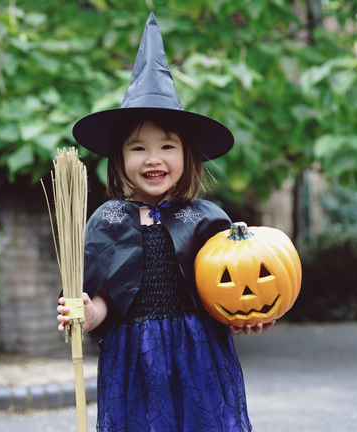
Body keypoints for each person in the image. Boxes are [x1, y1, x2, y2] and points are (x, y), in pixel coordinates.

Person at [57, 12, 273, 431]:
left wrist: (249, 315)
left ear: (187, 156)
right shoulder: (109, 220)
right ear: (119, 158)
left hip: (200, 356)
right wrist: (88, 310)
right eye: (138, 148)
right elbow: (105, 300)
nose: (153, 158)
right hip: (134, 360)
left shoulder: (206, 219)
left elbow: (230, 288)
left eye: (167, 146)